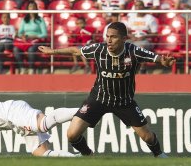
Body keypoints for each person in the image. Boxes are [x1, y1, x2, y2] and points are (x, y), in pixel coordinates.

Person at [38, 22, 175, 157]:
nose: (109, 40)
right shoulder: (99, 49)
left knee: (147, 137)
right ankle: (87, 155)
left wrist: (164, 62)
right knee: (72, 134)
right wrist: (53, 51)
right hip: (98, 98)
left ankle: (160, 155)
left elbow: (156, 58)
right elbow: (76, 50)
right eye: (107, 36)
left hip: (124, 102)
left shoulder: (133, 51)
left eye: (113, 37)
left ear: (123, 39)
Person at [13, 0, 48, 75]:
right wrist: (22, 36)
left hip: (36, 40)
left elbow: (44, 34)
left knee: (31, 49)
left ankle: (31, 68)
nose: (32, 8)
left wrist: (35, 36)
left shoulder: (40, 20)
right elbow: (20, 32)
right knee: (16, 49)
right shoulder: (24, 20)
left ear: (36, 9)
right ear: (27, 9)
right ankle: (22, 68)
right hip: (26, 40)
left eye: (33, 7)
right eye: (30, 7)